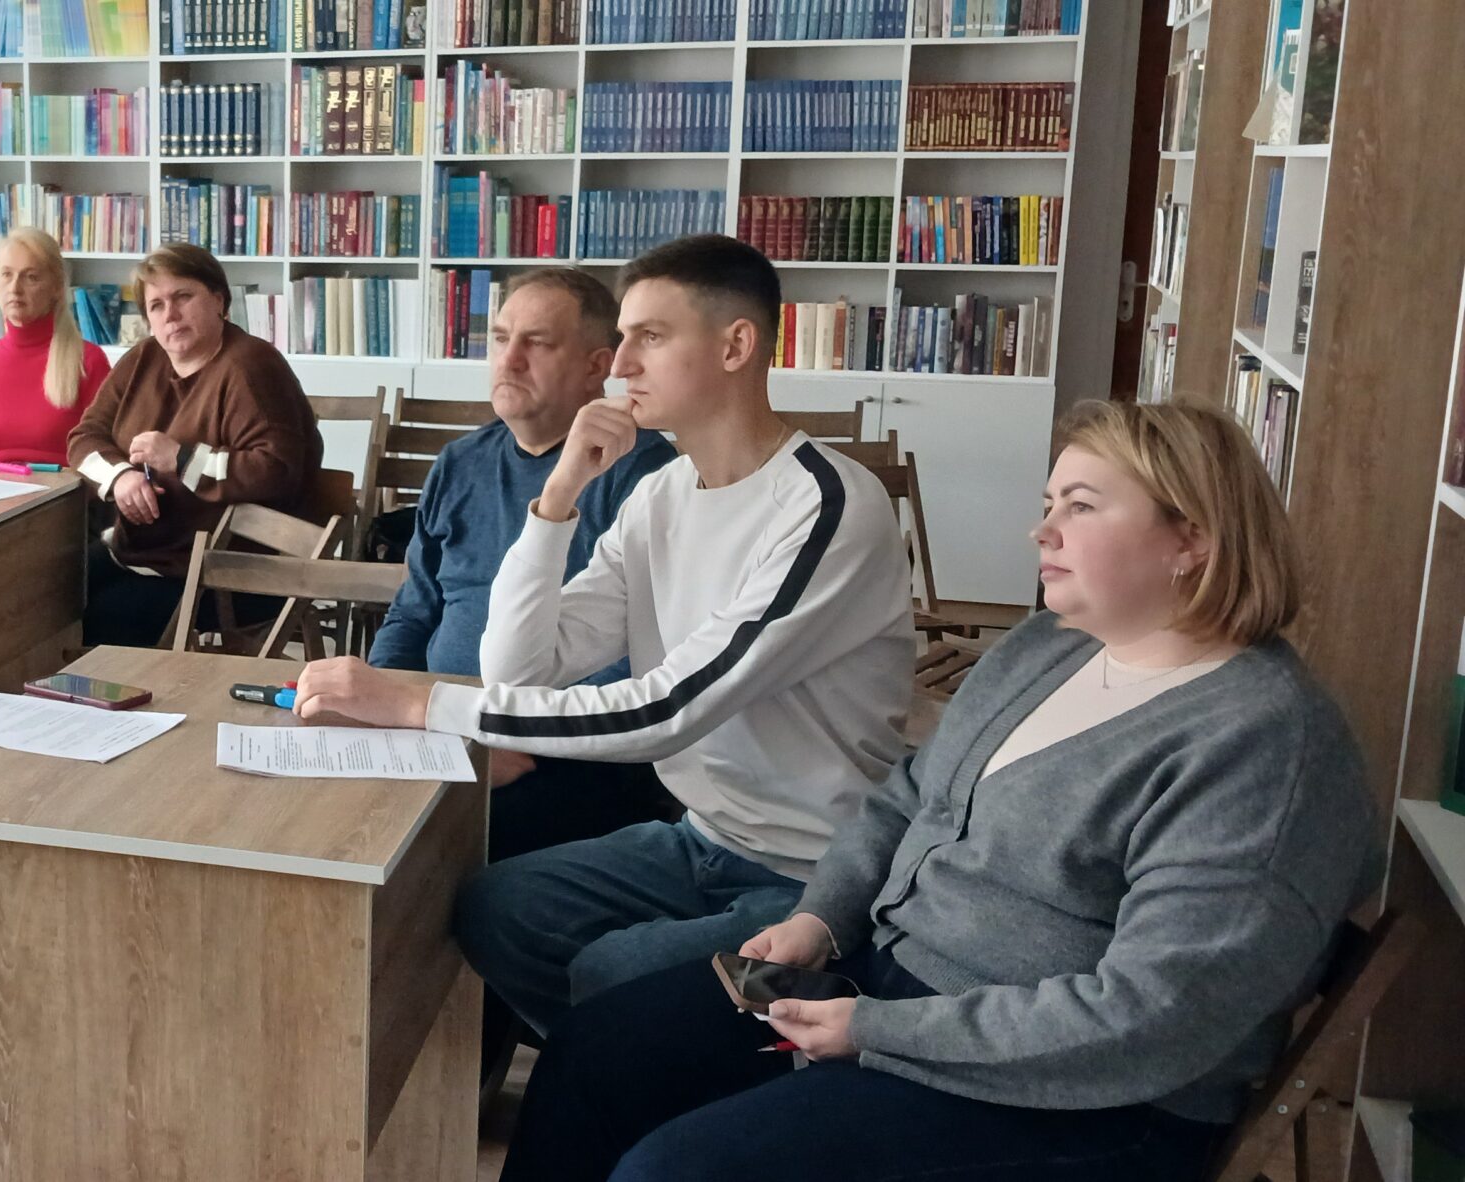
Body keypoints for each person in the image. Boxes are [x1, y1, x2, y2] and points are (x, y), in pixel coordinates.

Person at [496, 399, 1381, 1182]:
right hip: (894, 991)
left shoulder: (1260, 746)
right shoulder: (1052, 646)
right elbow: (907, 798)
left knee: (675, 1171)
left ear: (1192, 539)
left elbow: (1155, 1018)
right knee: (594, 1054)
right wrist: (822, 918)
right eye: (1048, 505)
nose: (1042, 532)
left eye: (1080, 507)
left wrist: (876, 1033)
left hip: (1084, 1103)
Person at [294, 234, 913, 1043]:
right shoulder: (662, 494)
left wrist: (423, 706)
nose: (619, 365)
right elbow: (519, 668)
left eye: (649, 337)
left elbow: (670, 711)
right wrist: (558, 496)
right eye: (621, 338)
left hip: (816, 875)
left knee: (612, 973)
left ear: (736, 346)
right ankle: (641, 1066)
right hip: (702, 839)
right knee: (496, 908)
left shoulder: (827, 504)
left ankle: (682, 1066)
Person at [367, 267, 682, 1096]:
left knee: (452, 859)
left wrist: (510, 737)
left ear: (597, 366)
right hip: (442, 727)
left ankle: (451, 1083)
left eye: (535, 343)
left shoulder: (647, 479)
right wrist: (381, 702)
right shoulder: (461, 462)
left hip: (570, 756)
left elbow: (639, 664)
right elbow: (415, 609)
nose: (508, 360)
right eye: (500, 338)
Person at [67, 242, 324, 647]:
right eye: (156, 305)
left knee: (107, 614)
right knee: (53, 588)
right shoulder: (143, 358)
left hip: (232, 570)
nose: (170, 314)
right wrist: (121, 478)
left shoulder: (251, 366)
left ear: (219, 300)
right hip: (151, 555)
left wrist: (182, 459)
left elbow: (275, 471)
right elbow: (84, 438)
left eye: (183, 297)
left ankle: (123, 690)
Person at [0, 227, 109, 465]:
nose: (15, 288)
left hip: (63, 487)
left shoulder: (88, 361)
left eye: (31, 277)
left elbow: (103, 459)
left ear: (56, 287)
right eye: (7, 275)